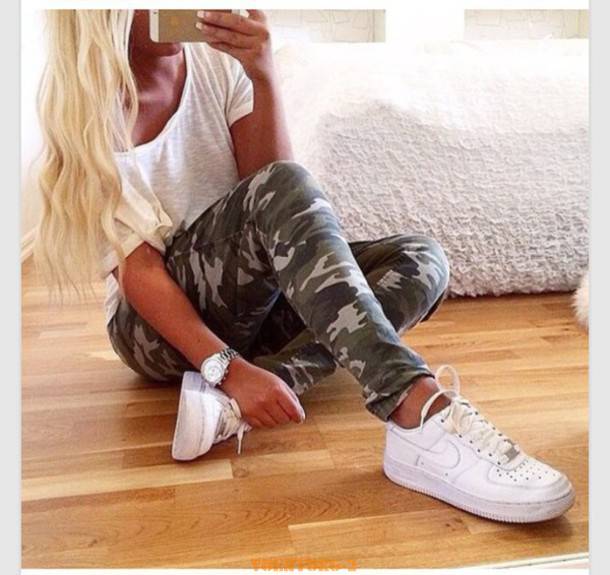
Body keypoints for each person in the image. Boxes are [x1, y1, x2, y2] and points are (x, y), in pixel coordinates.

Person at [35, 9, 574, 523]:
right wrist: (224, 367)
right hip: (154, 328)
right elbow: (140, 272)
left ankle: (239, 403)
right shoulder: (84, 109)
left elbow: (276, 196)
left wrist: (262, 75)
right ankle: (413, 406)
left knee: (420, 261)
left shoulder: (217, 63)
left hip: (251, 302)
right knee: (284, 192)